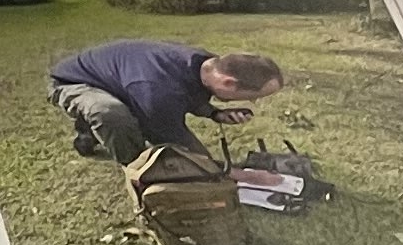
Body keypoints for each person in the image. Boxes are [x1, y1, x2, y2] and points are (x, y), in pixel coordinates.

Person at [47, 36, 284, 166]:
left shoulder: (207, 65)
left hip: (121, 80)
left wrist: (215, 113)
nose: (253, 101)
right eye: (253, 96)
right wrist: (220, 170)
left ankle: (88, 133)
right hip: (74, 81)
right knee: (111, 114)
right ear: (229, 83)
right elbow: (175, 140)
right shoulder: (157, 90)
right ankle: (138, 168)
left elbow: (186, 91)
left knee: (129, 110)